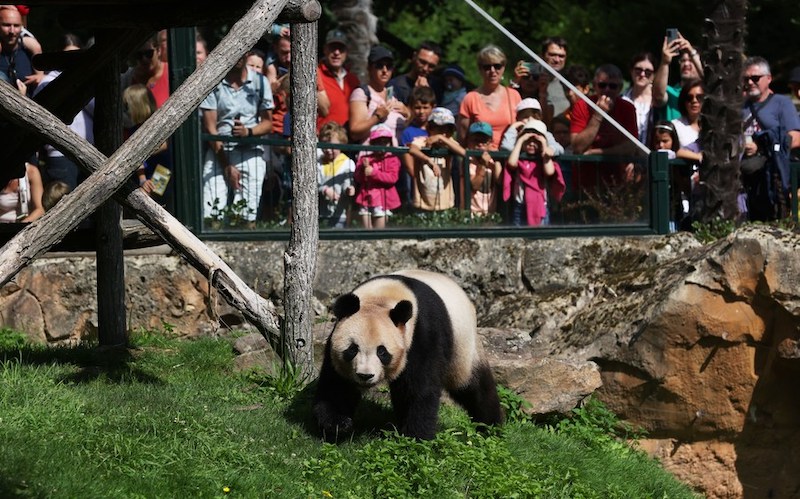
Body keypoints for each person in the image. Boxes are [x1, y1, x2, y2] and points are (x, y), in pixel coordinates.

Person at [201, 55, 274, 223]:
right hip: (219, 149)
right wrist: (226, 165)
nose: (238, 57)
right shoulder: (214, 81)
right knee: (212, 212)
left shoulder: (260, 82)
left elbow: (268, 123)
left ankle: (246, 241)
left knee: (246, 214)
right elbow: (210, 127)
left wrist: (247, 132)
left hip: (251, 151)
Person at [740, 56, 800, 221]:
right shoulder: (738, 106)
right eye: (746, 78)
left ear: (768, 79)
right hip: (744, 178)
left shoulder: (782, 103)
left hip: (772, 178)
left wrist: (762, 146)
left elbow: (795, 137)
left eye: (755, 78)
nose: (750, 82)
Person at [33, 33, 93, 191]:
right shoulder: (47, 84)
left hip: (90, 153)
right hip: (61, 156)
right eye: (68, 55)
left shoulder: (89, 80)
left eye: (76, 54)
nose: (72, 59)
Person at [569, 64, 639, 193]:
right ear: (594, 85)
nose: (607, 90)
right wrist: (598, 115)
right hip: (584, 184)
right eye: (602, 85)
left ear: (620, 88)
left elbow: (631, 147)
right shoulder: (582, 105)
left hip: (617, 183)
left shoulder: (627, 108)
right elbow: (578, 147)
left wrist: (597, 153)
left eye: (613, 86)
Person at [457, 44, 521, 150]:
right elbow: (462, 140)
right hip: (479, 159)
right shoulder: (470, 98)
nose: (492, 71)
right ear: (480, 69)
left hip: (508, 159)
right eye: (487, 67)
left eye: (497, 66)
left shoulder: (514, 96)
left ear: (503, 67)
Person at [504, 119, 566, 226]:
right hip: (520, 204)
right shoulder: (519, 157)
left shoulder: (543, 159)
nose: (532, 144)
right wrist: (520, 140)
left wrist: (544, 145)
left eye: (536, 141)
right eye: (528, 141)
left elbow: (549, 171)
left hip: (540, 205)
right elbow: (512, 163)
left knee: (540, 238)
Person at [123, 84, 173, 206]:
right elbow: (136, 160)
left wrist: (142, 153)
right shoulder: (133, 132)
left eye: (127, 107)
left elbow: (165, 145)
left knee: (154, 199)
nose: (126, 111)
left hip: (163, 172)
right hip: (144, 176)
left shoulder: (160, 126)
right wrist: (142, 180)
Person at [348, 45, 409, 144]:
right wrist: (377, 117)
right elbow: (354, 133)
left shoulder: (394, 93)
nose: (385, 70)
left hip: (396, 156)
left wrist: (407, 113)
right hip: (371, 156)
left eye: (389, 66)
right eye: (379, 65)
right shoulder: (362, 93)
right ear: (369, 68)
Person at [407, 107, 463, 213]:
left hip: (444, 202)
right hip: (423, 203)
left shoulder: (448, 143)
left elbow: (463, 153)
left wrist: (441, 138)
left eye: (448, 130)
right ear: (430, 128)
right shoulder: (423, 141)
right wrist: (428, 160)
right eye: (440, 129)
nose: (444, 134)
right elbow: (412, 150)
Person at [353, 124, 401, 229]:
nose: (381, 145)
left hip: (383, 200)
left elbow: (393, 178)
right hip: (365, 198)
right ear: (372, 143)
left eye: (385, 142)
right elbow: (358, 178)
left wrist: (374, 173)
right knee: (366, 231)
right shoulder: (364, 159)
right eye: (378, 142)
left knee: (379, 232)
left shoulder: (393, 159)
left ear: (390, 143)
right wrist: (362, 169)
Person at [316, 28, 360, 133]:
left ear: (346, 52)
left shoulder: (353, 80)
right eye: (332, 48)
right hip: (322, 141)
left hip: (347, 143)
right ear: (324, 49)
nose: (336, 52)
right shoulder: (315, 75)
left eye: (341, 49)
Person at [399, 86, 436, 209]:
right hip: (416, 180)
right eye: (417, 107)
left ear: (433, 107)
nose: (421, 112)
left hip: (436, 178)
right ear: (411, 108)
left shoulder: (436, 131)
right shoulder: (408, 132)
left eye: (425, 108)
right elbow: (408, 163)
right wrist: (419, 178)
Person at [653, 31, 703, 121]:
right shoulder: (670, 92)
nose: (686, 64)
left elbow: (711, 82)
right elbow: (658, 96)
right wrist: (664, 62)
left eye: (691, 60)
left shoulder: (707, 93)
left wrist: (692, 51)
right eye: (683, 61)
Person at [317, 122, 355, 228]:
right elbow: (313, 184)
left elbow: (348, 182)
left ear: (341, 143)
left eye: (332, 146)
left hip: (339, 214)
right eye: (324, 145)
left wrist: (349, 189)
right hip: (319, 213)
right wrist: (324, 190)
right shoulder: (318, 162)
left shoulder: (348, 162)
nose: (328, 150)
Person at [387, 40, 443, 105]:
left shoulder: (437, 87)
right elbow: (387, 109)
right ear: (414, 56)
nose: (425, 68)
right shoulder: (392, 85)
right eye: (422, 62)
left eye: (431, 66)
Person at [121, 35, 170, 108]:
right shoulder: (126, 79)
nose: (144, 59)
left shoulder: (170, 73)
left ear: (158, 51)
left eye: (149, 53)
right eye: (139, 55)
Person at [464, 121, 502, 216]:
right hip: (472, 213)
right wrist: (483, 165)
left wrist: (497, 159)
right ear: (469, 141)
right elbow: (475, 186)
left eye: (484, 141)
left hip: (490, 212)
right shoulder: (467, 160)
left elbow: (499, 180)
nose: (480, 144)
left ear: (490, 142)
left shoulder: (493, 160)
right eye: (476, 140)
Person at [0, 7, 39, 92]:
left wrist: (40, 78)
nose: (12, 31)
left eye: (16, 25)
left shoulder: (30, 49)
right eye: (6, 25)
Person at [623, 52, 657, 143]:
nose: (642, 74)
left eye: (648, 72)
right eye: (638, 70)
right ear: (631, 71)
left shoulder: (658, 101)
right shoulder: (622, 99)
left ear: (654, 75)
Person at [670, 79, 704, 164]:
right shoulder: (675, 125)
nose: (694, 101)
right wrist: (699, 157)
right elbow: (672, 153)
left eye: (699, 97)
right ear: (684, 102)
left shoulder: (714, 126)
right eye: (689, 98)